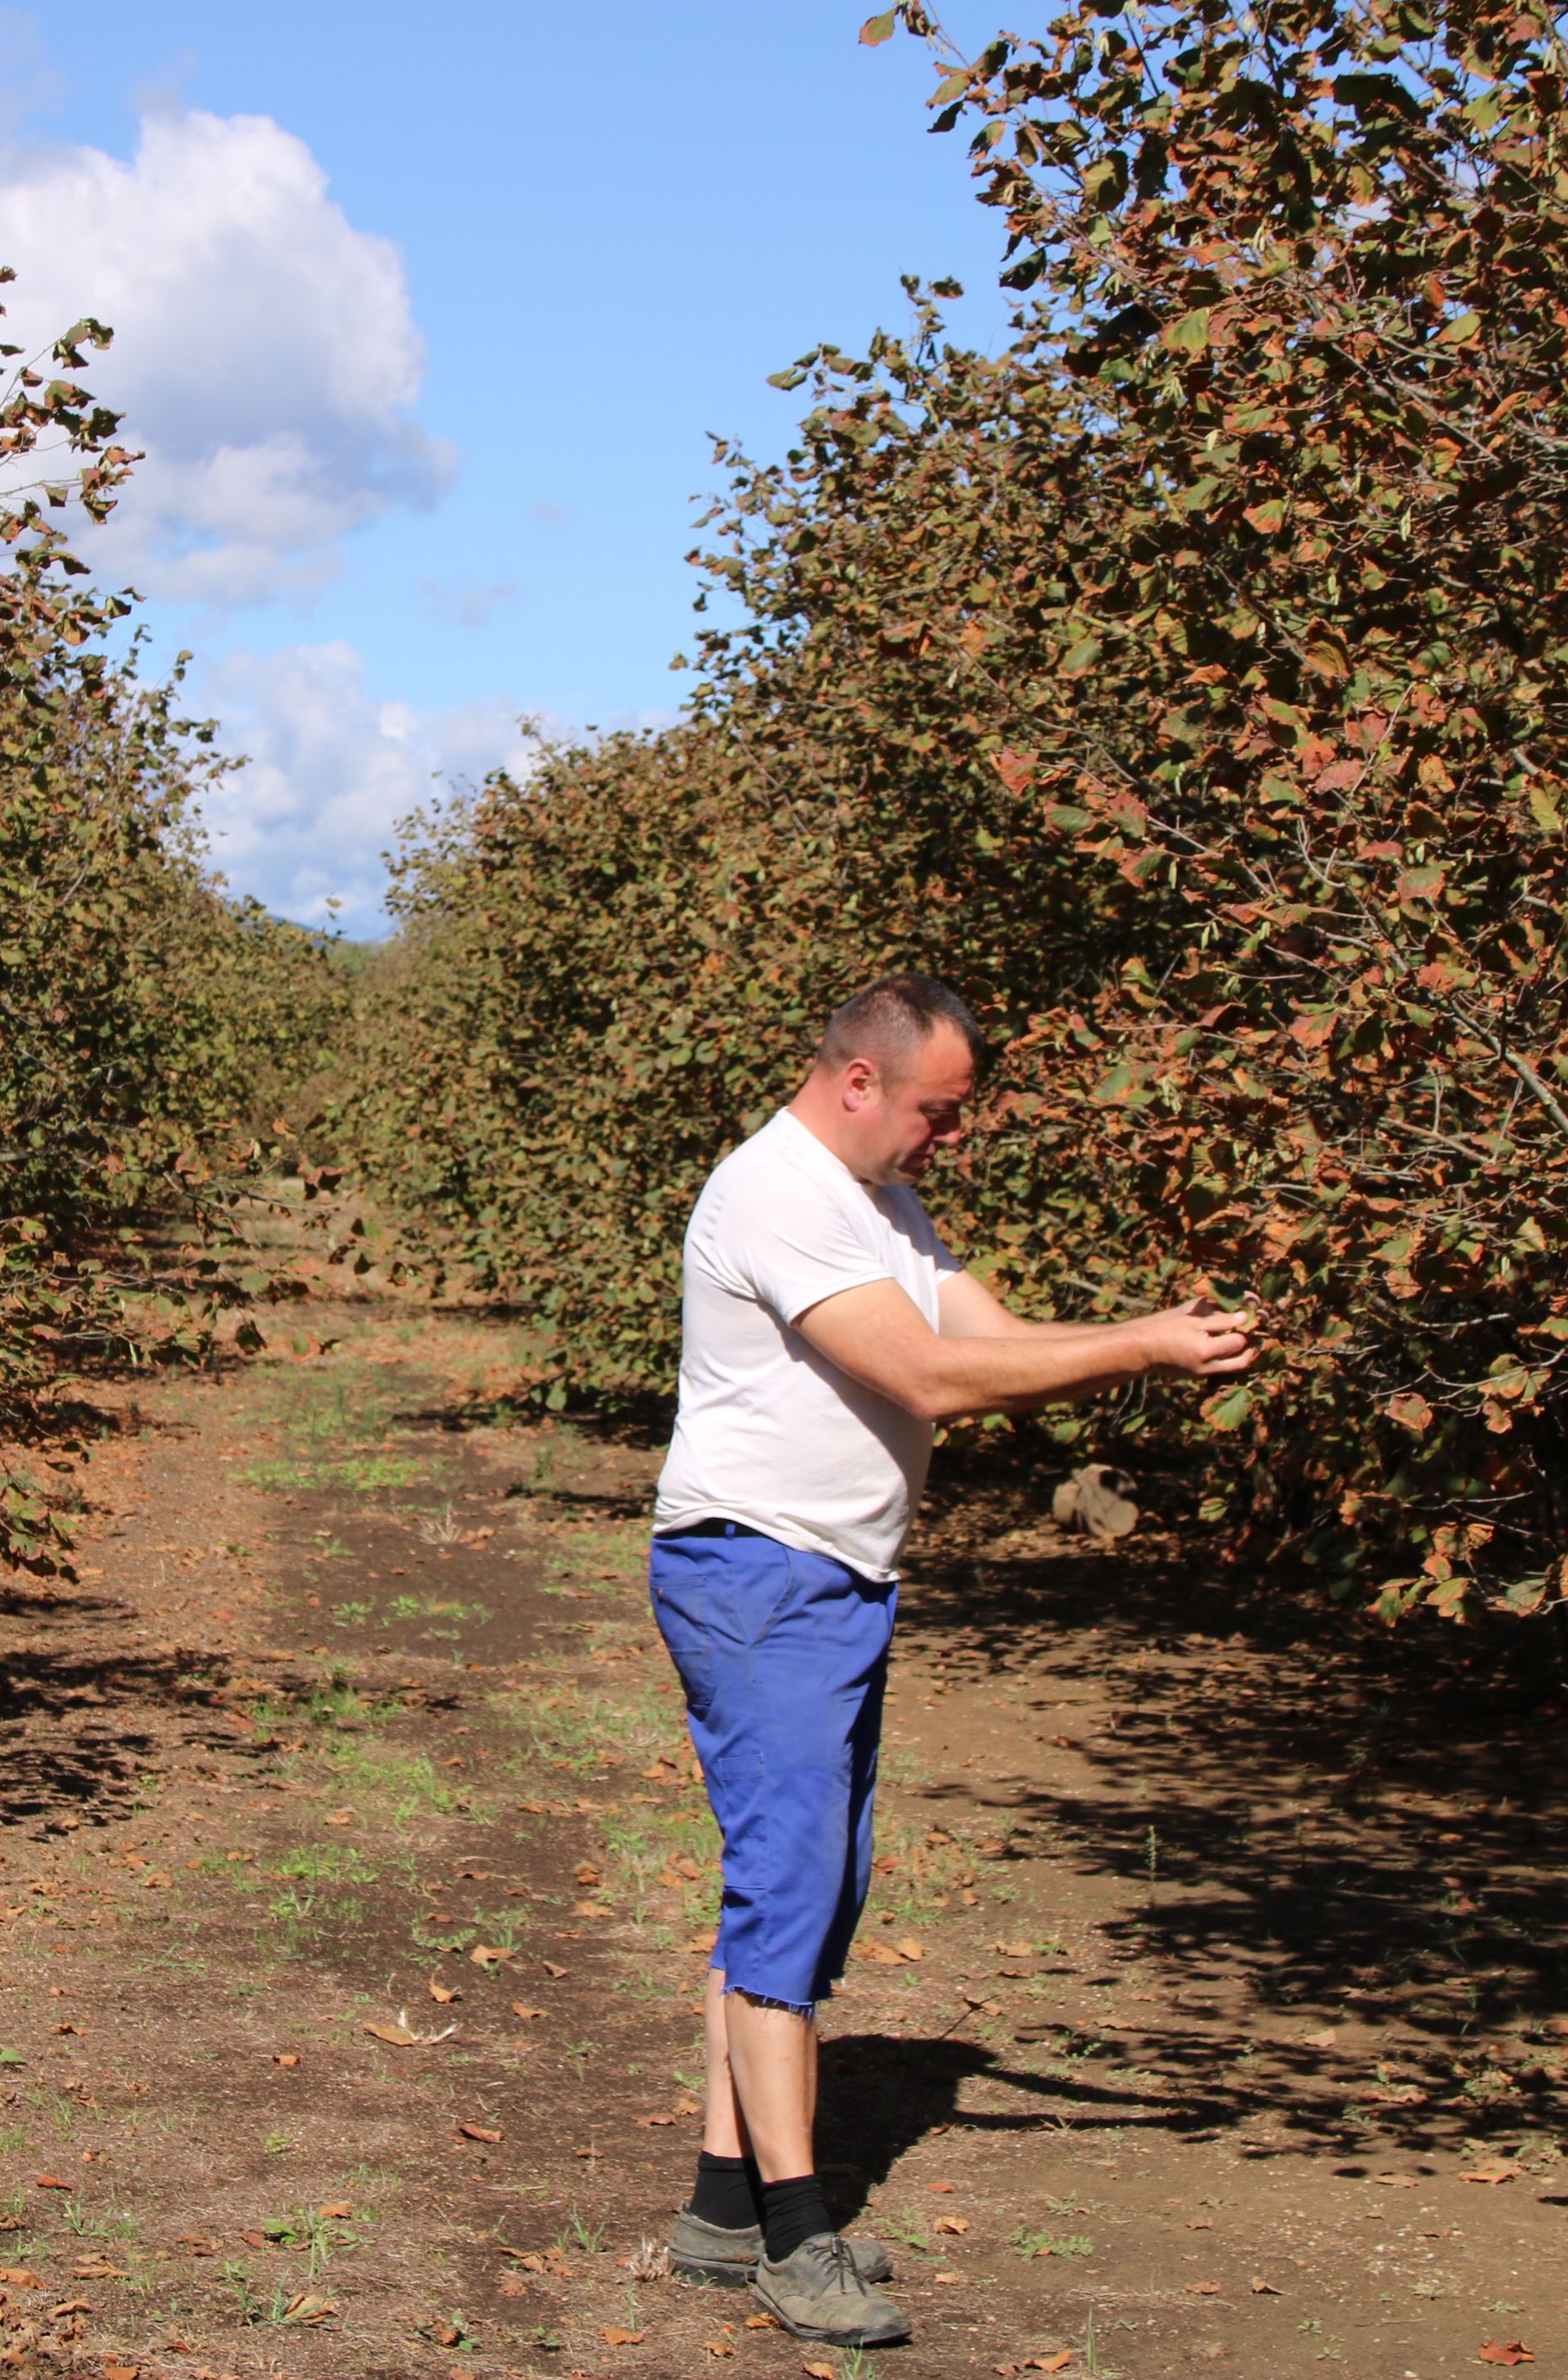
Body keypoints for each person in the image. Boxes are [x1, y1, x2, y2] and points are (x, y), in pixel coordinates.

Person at [647, 971, 1258, 2347]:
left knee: (801, 1885)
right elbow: (922, 1380)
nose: (948, 1139)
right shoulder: (779, 1193)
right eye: (938, 1111)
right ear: (860, 1082)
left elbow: (978, 1333)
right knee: (789, 1886)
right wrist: (1143, 1352)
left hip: (834, 1579)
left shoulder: (875, 1201)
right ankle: (797, 2242)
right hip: (758, 1572)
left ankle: (719, 2205)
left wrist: (1157, 1345)